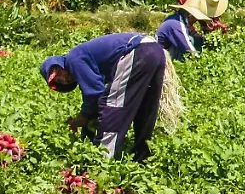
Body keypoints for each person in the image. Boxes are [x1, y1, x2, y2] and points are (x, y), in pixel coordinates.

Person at [41, 33, 167, 162]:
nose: (63, 79)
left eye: (59, 73)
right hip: (155, 50)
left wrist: (83, 117)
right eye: (59, 81)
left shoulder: (73, 60)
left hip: (137, 51)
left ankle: (102, 159)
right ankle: (143, 156)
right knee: (145, 106)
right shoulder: (79, 58)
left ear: (59, 65)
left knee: (112, 106)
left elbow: (94, 93)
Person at [157, 0, 229, 60]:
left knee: (193, 39)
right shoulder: (177, 25)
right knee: (189, 40)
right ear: (190, 15)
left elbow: (194, 37)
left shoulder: (180, 19)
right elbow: (188, 49)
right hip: (161, 57)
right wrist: (201, 62)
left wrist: (206, 41)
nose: (196, 20)